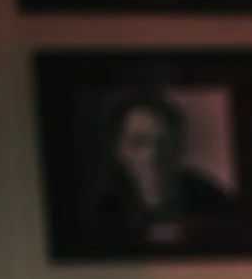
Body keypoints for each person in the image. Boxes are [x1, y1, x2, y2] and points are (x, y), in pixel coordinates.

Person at [88, 90, 235, 247]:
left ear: (179, 146)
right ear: (119, 150)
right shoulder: (103, 212)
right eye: (139, 142)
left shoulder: (215, 203)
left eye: (163, 142)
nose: (152, 155)